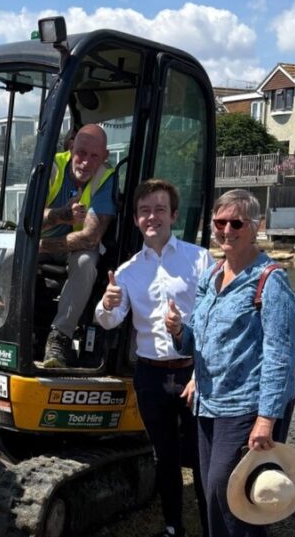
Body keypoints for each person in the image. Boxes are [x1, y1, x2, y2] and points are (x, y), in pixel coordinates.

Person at [165, 189, 295, 537]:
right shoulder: (212, 275)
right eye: (219, 222)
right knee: (214, 494)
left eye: (236, 222)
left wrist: (266, 419)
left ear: (255, 227)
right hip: (209, 404)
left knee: (233, 496)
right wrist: (179, 330)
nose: (226, 229)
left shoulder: (270, 281)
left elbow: (279, 356)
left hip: (245, 407)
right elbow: (201, 338)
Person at [94, 179, 212, 537]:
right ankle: (174, 526)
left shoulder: (199, 258)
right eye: (144, 211)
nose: (152, 217)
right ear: (135, 220)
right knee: (164, 457)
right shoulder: (128, 271)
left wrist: (200, 363)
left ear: (173, 215)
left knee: (205, 459)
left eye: (160, 209)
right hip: (150, 376)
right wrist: (106, 305)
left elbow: (212, 316)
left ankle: (211, 527)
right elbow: (110, 320)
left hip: (194, 373)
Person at [40, 123, 115, 368]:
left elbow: (90, 237)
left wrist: (40, 245)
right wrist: (61, 215)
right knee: (9, 254)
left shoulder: (105, 178)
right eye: (81, 153)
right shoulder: (50, 167)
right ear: (72, 147)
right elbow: (28, 221)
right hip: (44, 245)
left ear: (104, 157)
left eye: (94, 156)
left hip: (66, 249)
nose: (85, 162)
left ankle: (59, 337)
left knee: (85, 262)